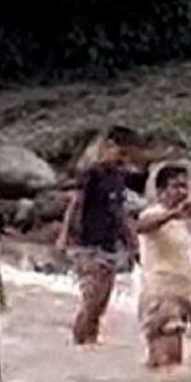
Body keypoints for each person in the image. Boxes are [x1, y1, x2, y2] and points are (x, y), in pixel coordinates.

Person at [57, 126, 140, 345]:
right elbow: (76, 203)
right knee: (91, 301)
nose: (123, 159)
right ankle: (77, 344)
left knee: (102, 302)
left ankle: (91, 344)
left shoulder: (118, 178)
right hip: (87, 244)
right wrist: (65, 235)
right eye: (120, 153)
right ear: (107, 146)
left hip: (109, 244)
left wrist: (132, 241)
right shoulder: (91, 174)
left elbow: (119, 212)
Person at [134, 164, 191, 368]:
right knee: (169, 364)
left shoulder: (179, 222)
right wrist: (171, 214)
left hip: (178, 298)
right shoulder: (154, 213)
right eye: (176, 186)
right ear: (161, 191)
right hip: (162, 297)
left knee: (165, 362)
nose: (182, 192)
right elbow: (141, 227)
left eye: (185, 187)